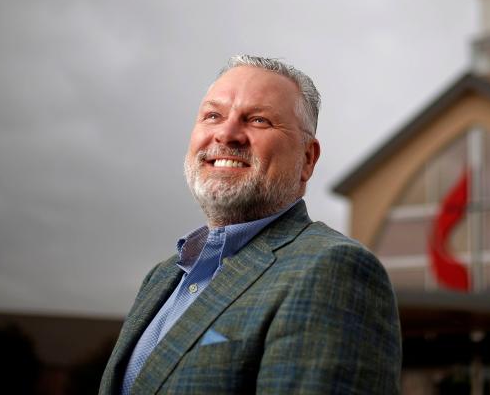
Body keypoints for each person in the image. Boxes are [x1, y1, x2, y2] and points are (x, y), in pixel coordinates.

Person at [100, 56, 402, 394]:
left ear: (307, 159)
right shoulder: (161, 277)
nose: (227, 133)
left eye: (258, 120)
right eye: (213, 115)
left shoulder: (333, 270)